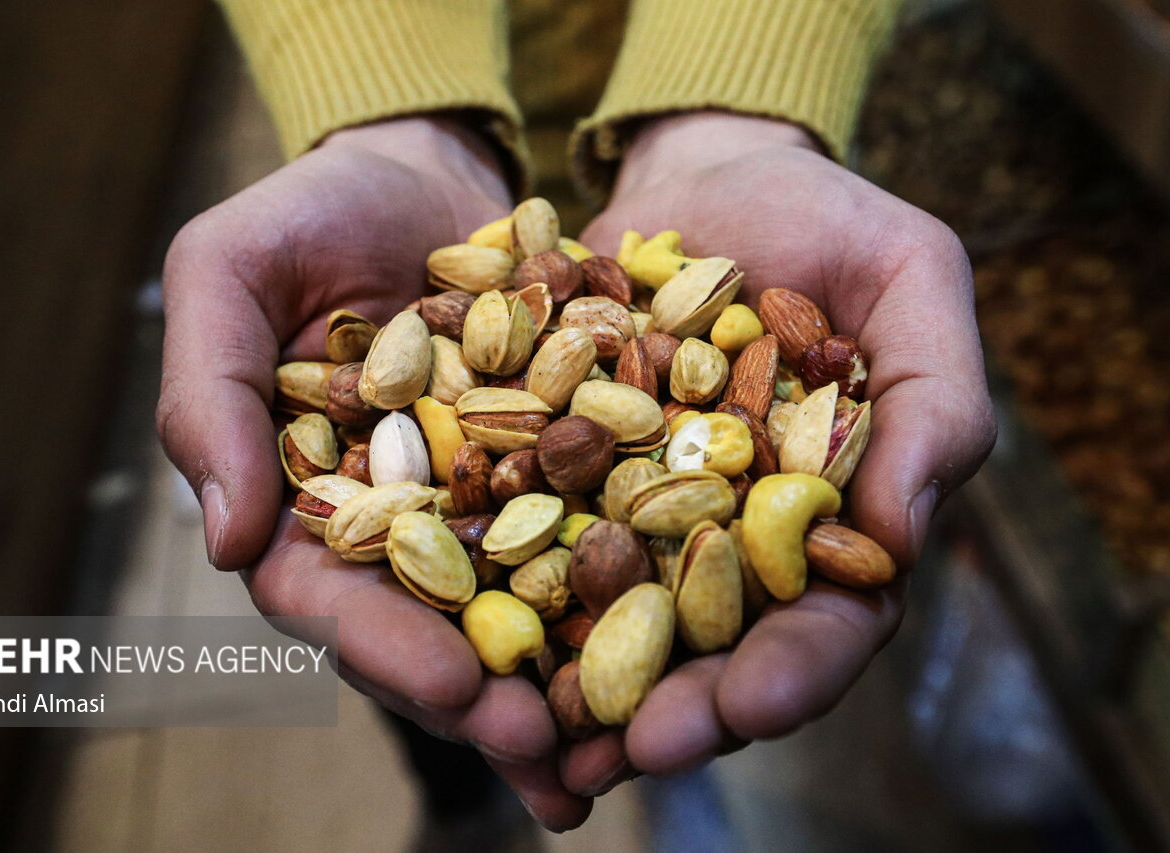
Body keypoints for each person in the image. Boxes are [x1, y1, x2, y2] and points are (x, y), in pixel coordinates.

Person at [157, 0, 997, 832]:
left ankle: (643, 788)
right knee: (422, 671)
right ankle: (467, 804)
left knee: (682, 698)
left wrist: (731, 110)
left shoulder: (658, 383)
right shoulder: (474, 377)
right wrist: (390, 122)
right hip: (463, 190)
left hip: (670, 163)